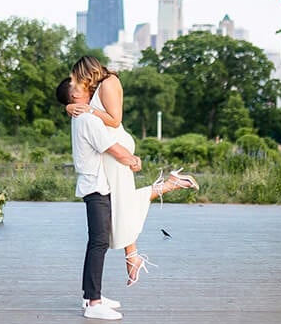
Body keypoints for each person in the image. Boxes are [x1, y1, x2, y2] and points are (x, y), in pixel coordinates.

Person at [66, 56, 199, 286]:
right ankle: (133, 255)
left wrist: (89, 109)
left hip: (114, 146)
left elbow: (115, 120)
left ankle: (133, 255)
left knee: (122, 203)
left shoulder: (109, 82)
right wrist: (70, 107)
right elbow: (80, 104)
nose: (77, 83)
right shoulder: (98, 87)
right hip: (108, 149)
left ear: (87, 72)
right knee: (121, 203)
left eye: (78, 77)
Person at [57, 76, 140, 320]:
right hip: (96, 187)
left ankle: (91, 296)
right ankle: (94, 303)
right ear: (75, 96)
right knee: (99, 242)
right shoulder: (87, 119)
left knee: (96, 242)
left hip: (94, 185)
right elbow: (111, 147)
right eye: (78, 84)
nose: (86, 85)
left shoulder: (80, 117)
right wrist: (133, 160)